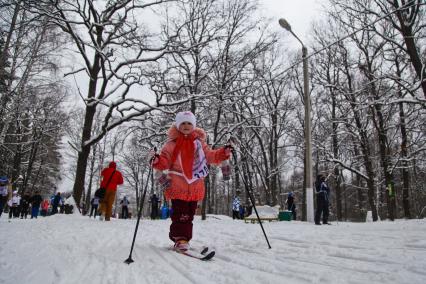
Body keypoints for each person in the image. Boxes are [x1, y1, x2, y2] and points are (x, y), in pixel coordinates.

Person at [151, 111, 231, 251]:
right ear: (178, 125)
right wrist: (157, 160)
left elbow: (210, 156)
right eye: (183, 123)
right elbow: (164, 161)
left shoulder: (199, 144)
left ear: (193, 125)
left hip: (195, 186)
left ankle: (183, 238)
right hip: (178, 185)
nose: (186, 126)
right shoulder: (171, 144)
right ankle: (180, 239)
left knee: (189, 215)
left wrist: (223, 152)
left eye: (189, 123)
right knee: (181, 214)